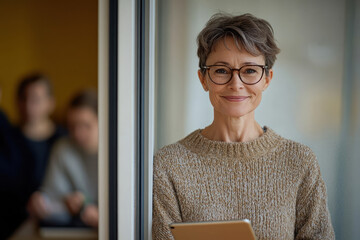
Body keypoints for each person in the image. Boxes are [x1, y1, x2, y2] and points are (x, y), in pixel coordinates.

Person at [152, 13, 335, 240]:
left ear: (267, 79)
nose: (236, 84)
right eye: (221, 70)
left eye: (249, 70)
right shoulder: (169, 164)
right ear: (203, 79)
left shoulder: (299, 161)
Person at [28, 90, 99, 228]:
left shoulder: (118, 154)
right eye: (72, 126)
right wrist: (43, 203)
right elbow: (51, 199)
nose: (78, 133)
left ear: (102, 122)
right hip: (71, 229)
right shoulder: (63, 148)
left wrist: (104, 218)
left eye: (85, 125)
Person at [14, 73, 66, 193]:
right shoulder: (6, 139)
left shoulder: (64, 140)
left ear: (51, 103)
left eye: (36, 100)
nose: (28, 106)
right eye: (23, 98)